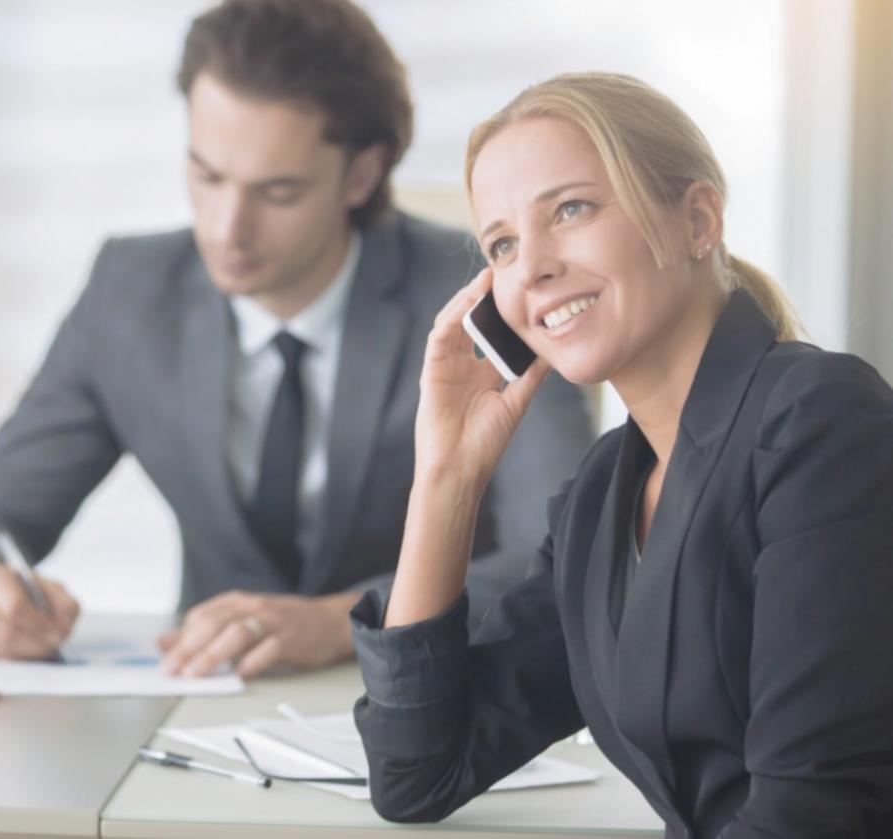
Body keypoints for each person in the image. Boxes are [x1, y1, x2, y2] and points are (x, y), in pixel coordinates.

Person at [0, 0, 594, 678]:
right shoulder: (131, 292)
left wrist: (340, 621)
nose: (226, 228)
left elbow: (565, 553)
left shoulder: (477, 300)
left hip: (436, 706)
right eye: (207, 176)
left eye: (278, 192)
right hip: (200, 713)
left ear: (361, 175)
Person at [352, 72, 893, 836]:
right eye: (502, 243)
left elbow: (813, 810)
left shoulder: (819, 423)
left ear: (698, 219)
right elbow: (416, 772)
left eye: (570, 209)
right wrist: (446, 476)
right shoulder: (602, 496)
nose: (532, 265)